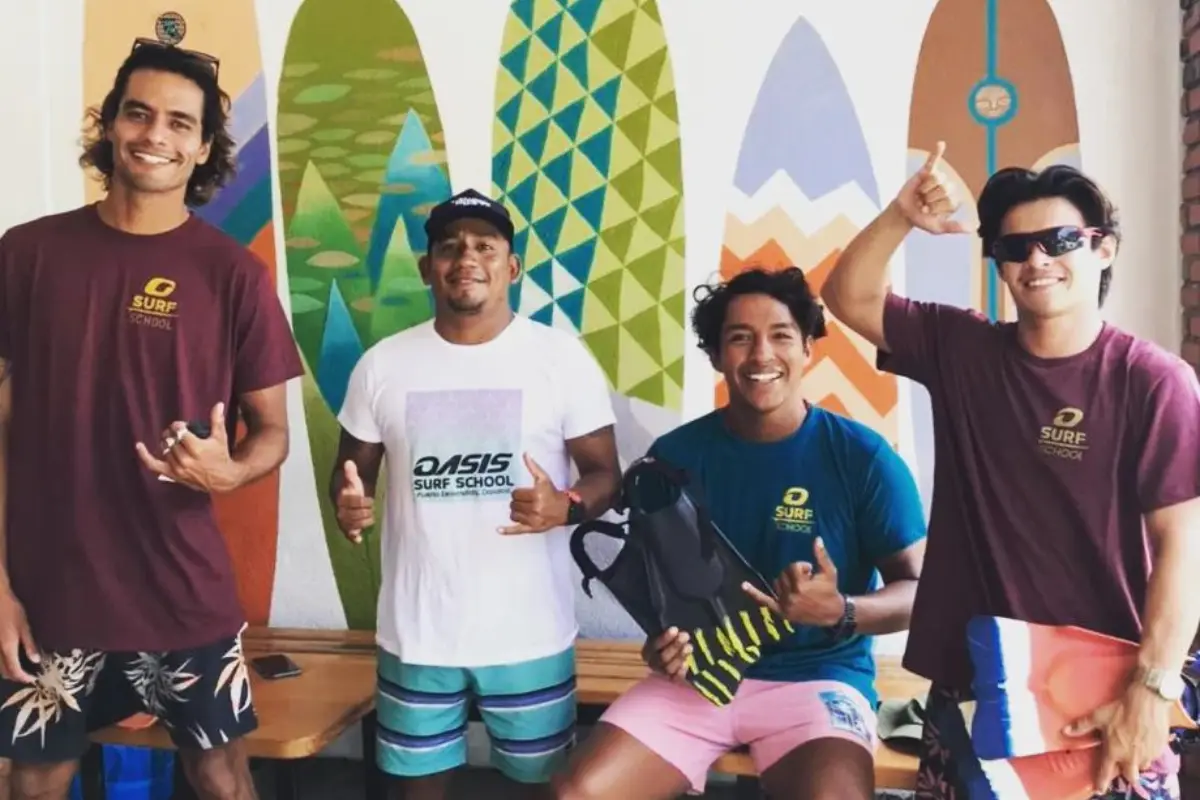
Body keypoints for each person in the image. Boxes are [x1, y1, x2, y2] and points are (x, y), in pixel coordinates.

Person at [821, 141, 1200, 799]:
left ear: (1102, 248)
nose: (1037, 260)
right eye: (1014, 248)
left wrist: (1151, 689)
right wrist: (901, 215)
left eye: (1059, 240)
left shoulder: (1153, 382)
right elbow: (848, 296)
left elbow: (1183, 550)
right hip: (973, 682)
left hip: (1102, 686)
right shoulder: (963, 350)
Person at [0, 40, 304, 800]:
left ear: (202, 147)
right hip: (47, 592)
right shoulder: (26, 255)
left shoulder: (233, 275)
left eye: (178, 122)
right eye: (138, 113)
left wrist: (231, 470)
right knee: (34, 779)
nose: (154, 135)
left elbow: (272, 432)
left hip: (182, 590)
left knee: (221, 776)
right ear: (109, 125)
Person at [551, 267, 927, 800]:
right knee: (579, 793)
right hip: (697, 682)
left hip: (816, 679)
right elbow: (665, 598)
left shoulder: (862, 458)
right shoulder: (675, 457)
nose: (760, 355)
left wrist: (839, 609)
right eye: (739, 338)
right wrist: (663, 649)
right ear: (715, 354)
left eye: (780, 335)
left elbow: (920, 593)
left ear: (808, 349)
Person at [331, 187, 623, 799]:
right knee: (417, 792)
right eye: (449, 246)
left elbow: (606, 477)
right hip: (418, 633)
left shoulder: (559, 359)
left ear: (510, 267)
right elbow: (350, 474)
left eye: (485, 246)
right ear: (427, 268)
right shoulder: (382, 365)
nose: (467, 257)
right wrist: (348, 502)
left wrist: (565, 506)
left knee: (539, 789)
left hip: (529, 635)